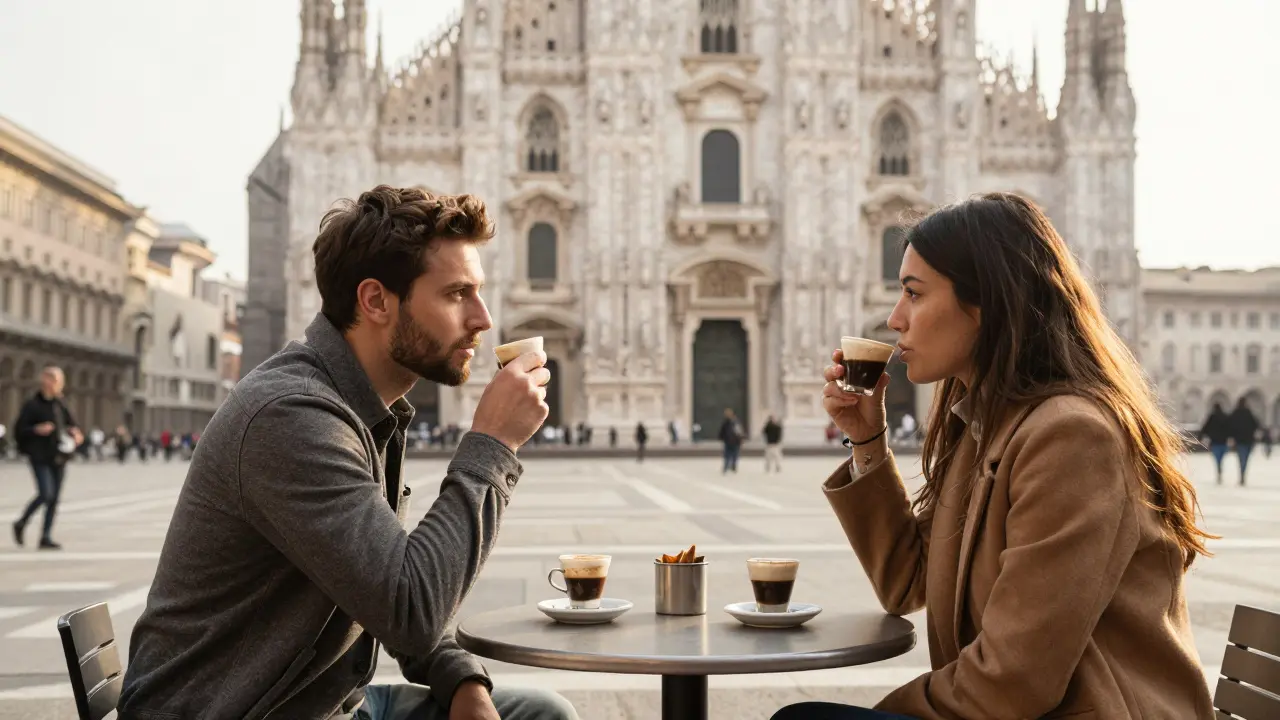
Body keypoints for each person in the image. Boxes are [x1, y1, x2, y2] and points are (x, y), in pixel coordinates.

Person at [119, 186, 576, 720]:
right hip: (239, 709)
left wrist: (459, 678)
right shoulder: (291, 418)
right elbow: (410, 607)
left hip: (321, 701)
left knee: (542, 711)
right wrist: (494, 442)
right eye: (457, 295)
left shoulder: (357, 408)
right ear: (376, 301)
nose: (483, 319)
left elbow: (378, 577)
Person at [774, 193, 1215, 719]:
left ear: (986, 305)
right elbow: (906, 580)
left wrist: (877, 712)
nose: (895, 319)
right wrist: (868, 440)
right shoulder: (987, 430)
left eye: (914, 294)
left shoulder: (1071, 438)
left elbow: (1013, 680)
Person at [11, 366, 83, 550]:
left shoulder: (61, 404)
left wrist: (75, 433)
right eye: (50, 379)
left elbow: (71, 425)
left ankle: (45, 536)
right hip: (39, 455)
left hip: (58, 455)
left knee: (54, 498)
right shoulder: (32, 404)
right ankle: (21, 522)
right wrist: (36, 429)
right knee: (46, 493)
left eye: (56, 380)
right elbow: (19, 430)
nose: (52, 384)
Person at [1226, 398, 1260, 486]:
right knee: (1245, 458)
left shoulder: (1235, 413)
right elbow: (1256, 425)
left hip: (1239, 440)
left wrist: (1231, 436)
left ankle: (1242, 474)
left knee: (1241, 458)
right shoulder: (1249, 413)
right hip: (1248, 440)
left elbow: (1229, 425)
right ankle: (1243, 474)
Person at [1199, 402, 1231, 484]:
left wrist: (1201, 436)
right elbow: (1230, 428)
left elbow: (1205, 427)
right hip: (1223, 441)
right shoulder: (1225, 416)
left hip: (1215, 442)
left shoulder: (1212, 417)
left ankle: (1219, 469)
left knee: (1217, 458)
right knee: (1221, 457)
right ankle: (1220, 468)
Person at [718, 408, 743, 473]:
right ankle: (728, 467)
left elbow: (739, 432)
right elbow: (722, 431)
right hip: (730, 441)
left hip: (734, 441)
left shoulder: (735, 423)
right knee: (729, 454)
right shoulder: (727, 423)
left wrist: (740, 439)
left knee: (732, 454)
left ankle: (730, 466)